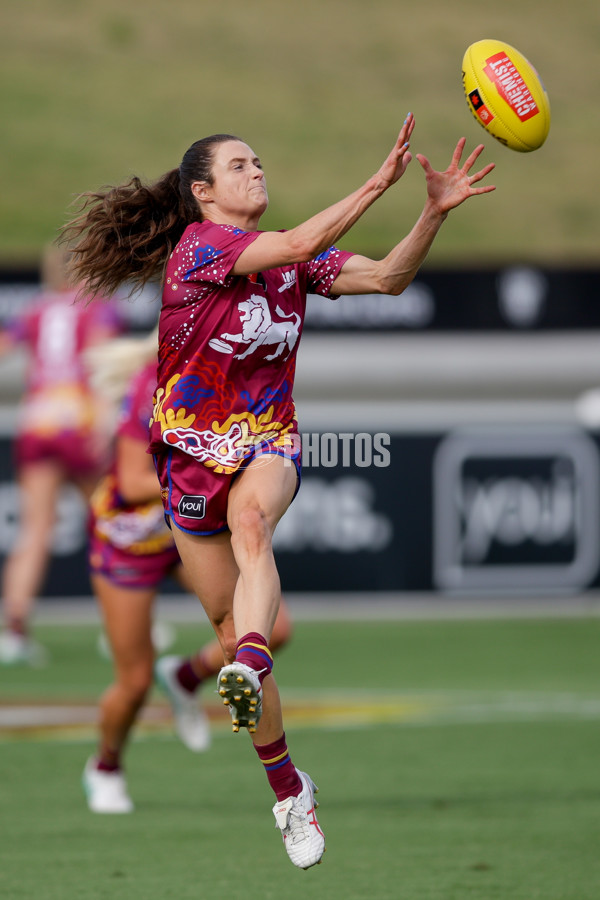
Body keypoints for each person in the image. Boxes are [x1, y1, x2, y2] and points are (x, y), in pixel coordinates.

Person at [62, 115, 495, 868]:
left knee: (253, 525)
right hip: (190, 459)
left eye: (258, 160)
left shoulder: (293, 262)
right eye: (239, 165)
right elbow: (295, 244)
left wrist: (430, 212)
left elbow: (388, 278)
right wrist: (374, 183)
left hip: (266, 439)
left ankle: (251, 666)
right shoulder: (200, 250)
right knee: (228, 627)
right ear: (204, 193)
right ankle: (289, 787)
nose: (257, 170)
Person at [81, 331, 293, 813]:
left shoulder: (238, 378)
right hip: (130, 538)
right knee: (133, 682)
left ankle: (184, 675)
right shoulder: (153, 385)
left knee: (271, 629)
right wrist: (209, 473)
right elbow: (134, 480)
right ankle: (106, 766)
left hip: (186, 530)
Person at [0, 245, 121, 666]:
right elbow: (100, 365)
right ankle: (120, 625)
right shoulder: (98, 308)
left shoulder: (33, 310)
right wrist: (106, 425)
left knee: (34, 530)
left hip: (37, 423)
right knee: (111, 527)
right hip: (79, 423)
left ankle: (14, 630)